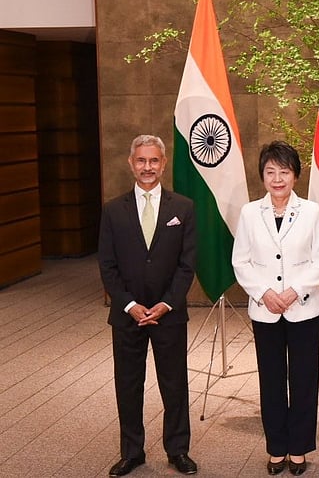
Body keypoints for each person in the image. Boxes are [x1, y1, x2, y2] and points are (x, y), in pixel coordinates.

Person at [98, 135, 198, 476]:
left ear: (163, 163)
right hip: (128, 316)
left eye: (154, 161)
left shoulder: (183, 208)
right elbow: (107, 265)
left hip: (169, 313)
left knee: (174, 383)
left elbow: (187, 265)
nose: (147, 167)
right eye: (141, 161)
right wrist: (129, 305)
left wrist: (167, 304)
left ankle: (178, 450)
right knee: (128, 383)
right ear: (130, 163)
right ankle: (132, 451)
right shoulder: (112, 210)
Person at [232, 141, 319, 476]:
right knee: (271, 379)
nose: (277, 179)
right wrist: (264, 293)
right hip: (265, 310)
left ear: (295, 176)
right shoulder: (249, 212)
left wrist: (293, 291)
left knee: (304, 379)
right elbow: (241, 261)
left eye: (284, 172)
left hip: (303, 308)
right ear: (262, 175)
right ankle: (276, 447)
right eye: (270, 172)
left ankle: (299, 448)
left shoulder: (311, 211)